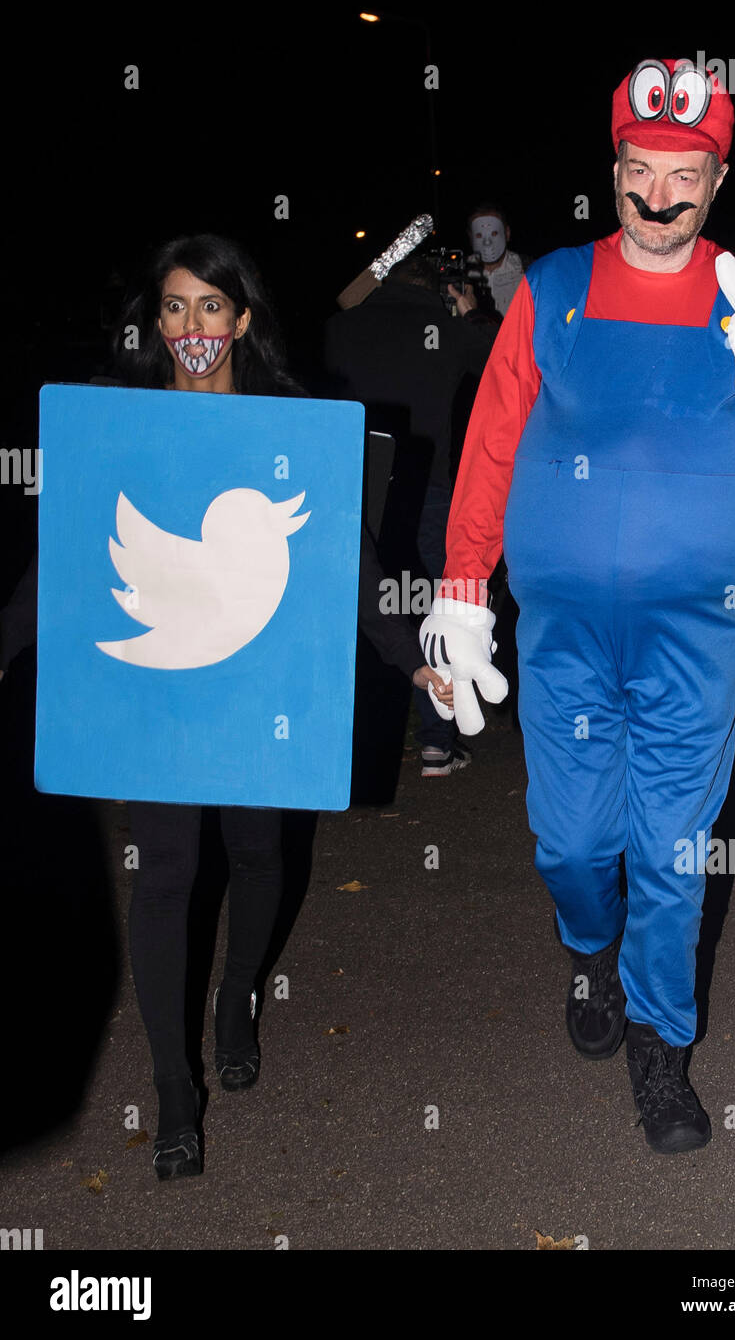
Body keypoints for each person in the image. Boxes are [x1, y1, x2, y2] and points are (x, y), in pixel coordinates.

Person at [420, 58, 735, 1154]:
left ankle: (660, 1044)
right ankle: (586, 948)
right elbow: (492, 444)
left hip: (692, 635)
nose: (658, 196)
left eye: (683, 176)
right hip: (560, 632)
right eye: (638, 171)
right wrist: (461, 588)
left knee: (672, 851)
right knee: (571, 842)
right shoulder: (552, 287)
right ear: (612, 168)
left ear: (716, 178)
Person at [0, 233, 452, 1181]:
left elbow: (350, 569)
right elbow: (64, 563)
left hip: (262, 690)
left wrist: (418, 663)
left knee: (256, 852)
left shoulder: (289, 428)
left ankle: (238, 994)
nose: (193, 325)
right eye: (174, 306)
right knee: (164, 875)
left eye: (212, 306)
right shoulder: (120, 422)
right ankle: (174, 1092)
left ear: (243, 320)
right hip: (161, 689)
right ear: (154, 322)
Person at [324, 253, 496, 776]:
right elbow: (502, 357)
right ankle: (437, 740)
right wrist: (468, 313)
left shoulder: (342, 328)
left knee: (359, 603)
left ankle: (343, 743)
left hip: (357, 488)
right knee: (429, 607)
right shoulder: (442, 328)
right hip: (427, 488)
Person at [466, 204, 530, 317]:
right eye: (479, 235)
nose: (487, 242)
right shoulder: (460, 272)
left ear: (507, 233)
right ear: (471, 237)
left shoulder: (528, 272)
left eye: (494, 233)